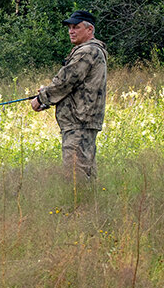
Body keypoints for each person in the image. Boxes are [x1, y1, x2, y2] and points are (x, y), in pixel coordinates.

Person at [30, 10, 108, 180]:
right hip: (81, 122)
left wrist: (41, 99)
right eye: (70, 27)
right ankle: (89, 206)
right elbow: (72, 86)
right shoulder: (90, 50)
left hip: (78, 123)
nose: (71, 31)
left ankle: (79, 206)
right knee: (85, 173)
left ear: (89, 30)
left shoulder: (87, 51)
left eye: (76, 27)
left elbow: (66, 81)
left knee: (76, 177)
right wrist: (48, 95)